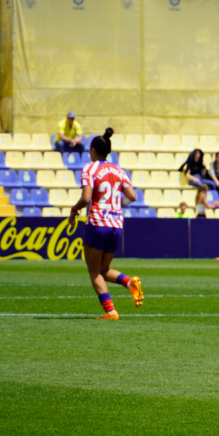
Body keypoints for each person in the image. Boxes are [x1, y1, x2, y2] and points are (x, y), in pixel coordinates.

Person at [68, 128, 143, 320]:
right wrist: (116, 204)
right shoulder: (119, 170)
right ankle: (129, 282)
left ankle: (110, 311)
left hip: (97, 223)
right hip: (116, 225)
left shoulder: (90, 168)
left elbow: (86, 198)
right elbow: (132, 197)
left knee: (94, 271)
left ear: (92, 150)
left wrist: (74, 209)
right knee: (102, 270)